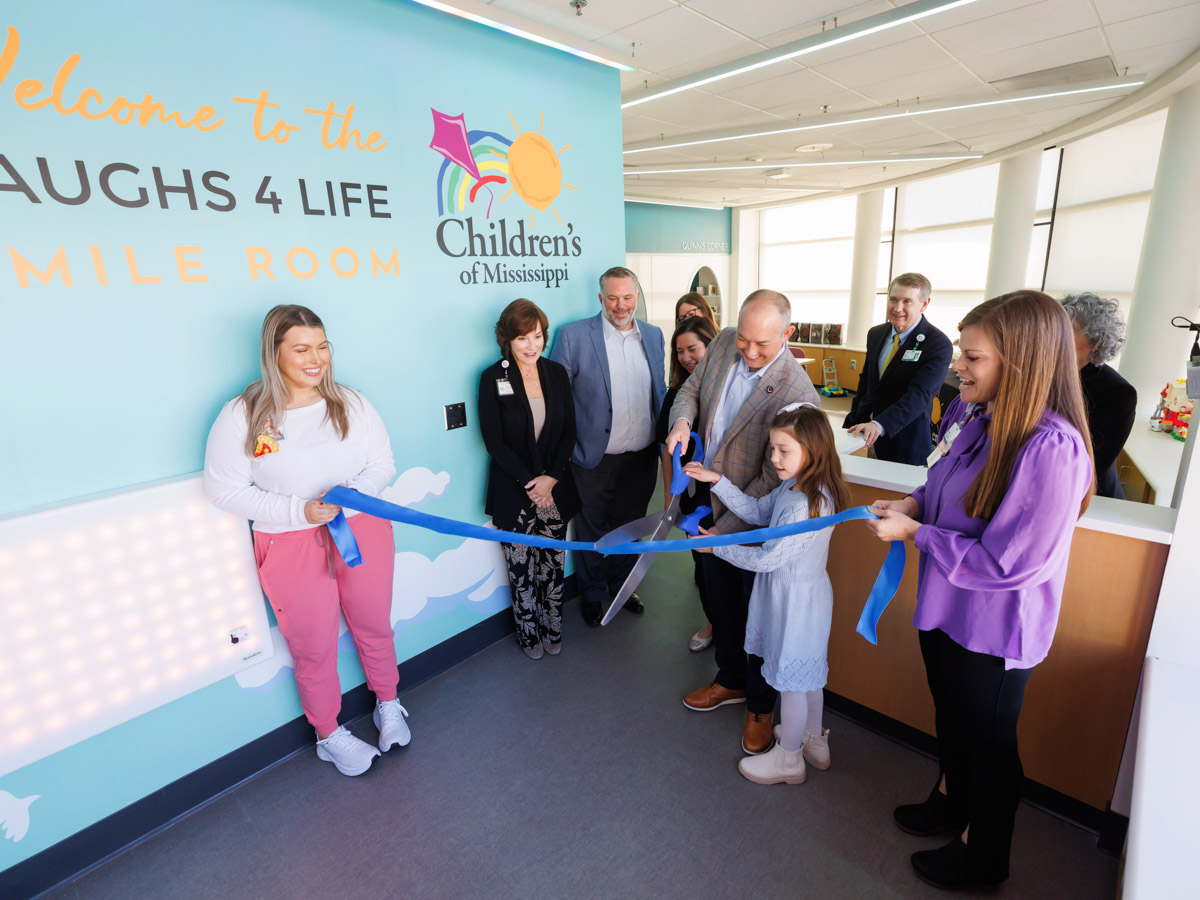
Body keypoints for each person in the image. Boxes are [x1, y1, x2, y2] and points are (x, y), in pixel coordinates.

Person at [864, 290, 1094, 889]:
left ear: (1019, 362)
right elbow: (938, 480)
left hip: (994, 625)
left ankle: (984, 851)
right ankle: (950, 796)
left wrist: (916, 533)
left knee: (990, 741)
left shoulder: (1052, 448)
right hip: (946, 605)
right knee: (953, 715)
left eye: (973, 357)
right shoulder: (973, 414)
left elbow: (1010, 563)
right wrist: (914, 504)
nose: (958, 367)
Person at [204, 305, 409, 777]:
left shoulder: (352, 403)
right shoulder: (246, 414)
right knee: (313, 643)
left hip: (361, 530)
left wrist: (352, 497)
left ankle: (389, 703)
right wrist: (299, 511)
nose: (315, 359)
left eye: (321, 347)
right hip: (289, 544)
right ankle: (328, 733)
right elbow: (224, 489)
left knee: (374, 623)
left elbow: (383, 463)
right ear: (274, 353)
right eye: (301, 349)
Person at [665, 290, 821, 754]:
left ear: (788, 335)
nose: (749, 352)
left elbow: (770, 481)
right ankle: (728, 680)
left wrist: (723, 533)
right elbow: (691, 391)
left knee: (757, 621)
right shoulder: (724, 341)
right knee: (721, 607)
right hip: (706, 502)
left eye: (763, 345)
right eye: (744, 341)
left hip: (749, 522)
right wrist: (680, 421)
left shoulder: (799, 394)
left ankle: (759, 707)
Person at [684, 403, 849, 784]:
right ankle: (813, 742)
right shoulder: (797, 486)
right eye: (772, 448)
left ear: (814, 448)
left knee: (790, 682)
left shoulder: (806, 503)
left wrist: (717, 546)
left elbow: (768, 561)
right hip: (796, 597)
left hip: (795, 602)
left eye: (784, 450)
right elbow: (758, 512)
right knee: (806, 677)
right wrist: (717, 481)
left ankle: (789, 760)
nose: (774, 458)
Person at [550, 266, 666, 627]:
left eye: (628, 297)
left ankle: (622, 587)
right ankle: (593, 593)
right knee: (592, 529)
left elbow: (659, 392)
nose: (621, 305)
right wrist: (565, 450)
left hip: (642, 457)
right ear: (601, 298)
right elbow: (558, 400)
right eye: (613, 298)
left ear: (637, 297)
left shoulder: (653, 335)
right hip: (592, 458)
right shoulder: (572, 336)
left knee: (631, 527)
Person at [478, 299, 580, 659]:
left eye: (537, 336)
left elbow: (568, 430)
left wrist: (551, 478)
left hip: (554, 488)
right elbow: (494, 441)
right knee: (520, 570)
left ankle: (553, 628)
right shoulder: (493, 377)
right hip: (514, 491)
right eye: (522, 338)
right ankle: (528, 635)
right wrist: (531, 482)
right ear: (507, 338)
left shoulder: (556, 373)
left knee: (552, 565)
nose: (531, 345)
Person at [655, 315, 719, 652]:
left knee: (730, 569)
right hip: (693, 498)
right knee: (703, 565)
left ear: (712, 346)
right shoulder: (676, 395)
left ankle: (735, 631)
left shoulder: (727, 392)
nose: (686, 357)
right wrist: (670, 497)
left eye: (693, 348)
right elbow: (666, 453)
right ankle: (714, 623)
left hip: (728, 495)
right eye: (679, 351)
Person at [844, 272, 953, 465]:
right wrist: (853, 419)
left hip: (903, 441)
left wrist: (879, 425)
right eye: (893, 299)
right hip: (859, 433)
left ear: (924, 304)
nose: (897, 308)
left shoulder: (938, 344)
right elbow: (866, 381)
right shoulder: (876, 334)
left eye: (906, 301)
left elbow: (920, 395)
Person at [1061, 292, 1137, 499]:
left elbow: (1092, 462)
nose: (1056, 336)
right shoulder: (1041, 373)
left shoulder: (1118, 392)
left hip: (1090, 499)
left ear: (1096, 340)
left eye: (1068, 330)